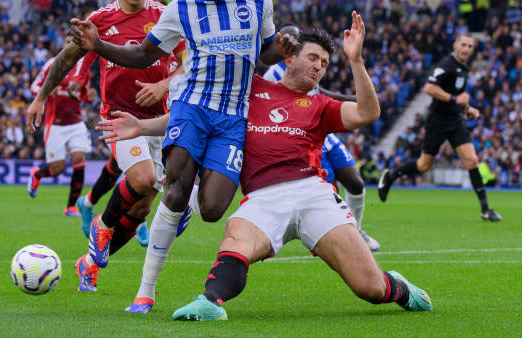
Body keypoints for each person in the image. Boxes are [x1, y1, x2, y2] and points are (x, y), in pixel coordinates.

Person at [99, 18, 432, 320]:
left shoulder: (321, 106)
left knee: (369, 288)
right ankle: (210, 302)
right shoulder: (250, 88)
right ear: (290, 58)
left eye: (326, 64)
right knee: (235, 239)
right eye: (313, 58)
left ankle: (399, 288)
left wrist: (355, 60)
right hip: (262, 197)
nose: (319, 67)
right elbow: (194, 116)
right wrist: (142, 127)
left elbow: (367, 113)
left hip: (313, 193)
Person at [66, 0, 299, 311]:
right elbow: (142, 55)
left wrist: (285, 45)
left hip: (232, 116)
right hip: (191, 106)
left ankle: (171, 208)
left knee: (211, 209)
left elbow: (266, 51)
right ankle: (145, 292)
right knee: (171, 190)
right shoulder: (182, 8)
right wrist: (98, 46)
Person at [26, 0, 185, 292]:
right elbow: (66, 60)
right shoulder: (99, 20)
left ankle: (90, 262)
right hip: (118, 119)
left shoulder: (166, 17)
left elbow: (190, 63)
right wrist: (40, 97)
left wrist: (163, 84)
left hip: (160, 121)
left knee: (142, 208)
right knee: (143, 180)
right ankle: (102, 222)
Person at [263, 22, 380, 251]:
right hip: (302, 136)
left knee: (355, 182)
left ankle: (356, 229)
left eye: (296, 40)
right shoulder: (273, 74)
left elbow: (320, 93)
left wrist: (351, 98)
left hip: (324, 133)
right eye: (288, 39)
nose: (292, 43)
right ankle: (335, 236)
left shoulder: (308, 67)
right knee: (329, 190)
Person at [378, 34, 502, 222]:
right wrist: (455, 100)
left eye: (470, 46)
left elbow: (457, 95)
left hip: (455, 120)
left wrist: (468, 109)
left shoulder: (463, 67)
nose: (467, 49)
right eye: (463, 45)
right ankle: (391, 175)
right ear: (455, 45)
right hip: (437, 121)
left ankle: (485, 209)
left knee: (472, 160)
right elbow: (429, 88)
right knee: (423, 165)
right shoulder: (447, 64)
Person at [27, 33, 96, 215]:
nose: (71, 45)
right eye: (68, 42)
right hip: (55, 123)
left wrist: (89, 97)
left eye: (74, 42)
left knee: (79, 159)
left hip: (75, 122)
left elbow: (84, 96)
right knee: (57, 169)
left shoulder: (83, 69)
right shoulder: (53, 64)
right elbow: (34, 87)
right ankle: (37, 174)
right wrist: (48, 90)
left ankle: (70, 206)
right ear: (63, 45)